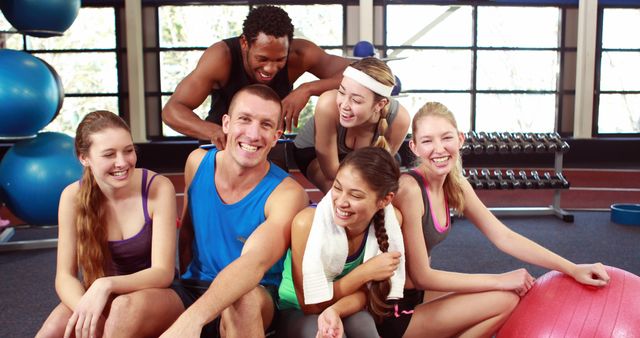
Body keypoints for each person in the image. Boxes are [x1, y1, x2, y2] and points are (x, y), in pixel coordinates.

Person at [380, 102, 610, 338]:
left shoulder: (456, 185)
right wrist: (499, 280)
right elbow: (422, 275)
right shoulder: (409, 190)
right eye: (427, 141)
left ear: (460, 139)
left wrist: (572, 268)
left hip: (417, 294)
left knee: (509, 296)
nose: (439, 149)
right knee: (504, 299)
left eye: (446, 137)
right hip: (393, 311)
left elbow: (503, 236)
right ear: (414, 147)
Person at [151, 84, 307, 337]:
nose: (253, 134)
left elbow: (253, 263)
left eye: (266, 125)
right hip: (193, 287)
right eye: (244, 120)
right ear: (226, 123)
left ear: (277, 135)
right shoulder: (197, 161)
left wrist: (192, 319)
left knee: (240, 300)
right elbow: (188, 233)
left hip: (254, 294)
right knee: (129, 307)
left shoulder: (287, 194)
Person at [36, 110, 179, 338]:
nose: (122, 162)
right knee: (51, 331)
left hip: (157, 295)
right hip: (100, 296)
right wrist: (87, 310)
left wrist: (105, 285)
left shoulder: (158, 187)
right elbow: (65, 276)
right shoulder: (72, 197)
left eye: (128, 151)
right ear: (84, 158)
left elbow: (163, 273)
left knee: (122, 312)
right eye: (109, 154)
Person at [162, 5, 350, 149]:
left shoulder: (301, 54)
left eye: (279, 60)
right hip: (222, 145)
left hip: (264, 145)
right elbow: (172, 110)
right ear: (244, 43)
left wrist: (308, 89)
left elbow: (359, 72)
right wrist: (214, 131)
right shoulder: (221, 57)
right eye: (262, 58)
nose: (270, 68)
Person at [276, 147, 405, 338]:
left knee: (364, 325)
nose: (341, 202)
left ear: (385, 200)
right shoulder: (306, 223)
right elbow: (311, 306)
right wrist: (364, 272)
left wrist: (336, 310)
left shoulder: (391, 222)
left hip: (347, 306)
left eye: (355, 195)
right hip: (298, 311)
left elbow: (367, 294)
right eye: (337, 188)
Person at [292, 57, 410, 193]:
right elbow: (331, 174)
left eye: (356, 100)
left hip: (362, 159)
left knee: (378, 192)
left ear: (380, 104)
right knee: (336, 189)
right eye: (341, 92)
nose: (344, 105)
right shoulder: (327, 105)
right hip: (312, 152)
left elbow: (377, 171)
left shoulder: (399, 119)